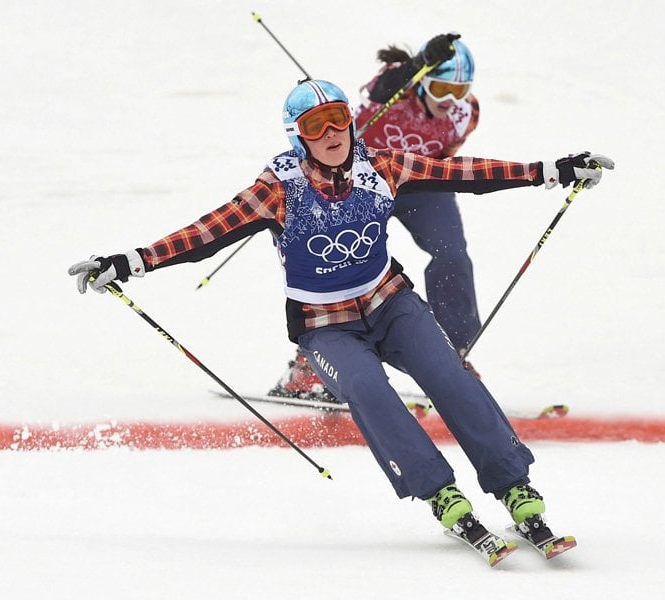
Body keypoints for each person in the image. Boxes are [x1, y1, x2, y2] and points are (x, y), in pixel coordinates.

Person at [68, 78, 613, 561]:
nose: (332, 133)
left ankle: (513, 485)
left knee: (450, 373)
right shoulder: (278, 189)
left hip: (390, 301)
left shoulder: (383, 165)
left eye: (339, 121)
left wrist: (550, 171)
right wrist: (129, 261)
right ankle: (440, 493)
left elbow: (465, 173)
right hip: (324, 324)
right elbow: (206, 232)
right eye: (315, 125)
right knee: (367, 387)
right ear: (297, 136)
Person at [270, 34, 484, 402]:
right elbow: (382, 90)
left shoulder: (466, 114)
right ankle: (311, 368)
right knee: (344, 262)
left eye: (459, 91)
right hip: (368, 178)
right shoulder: (395, 89)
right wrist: (416, 68)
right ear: (423, 81)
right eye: (442, 87)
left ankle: (453, 352)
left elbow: (446, 155)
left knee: (453, 254)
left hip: (419, 185)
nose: (449, 101)